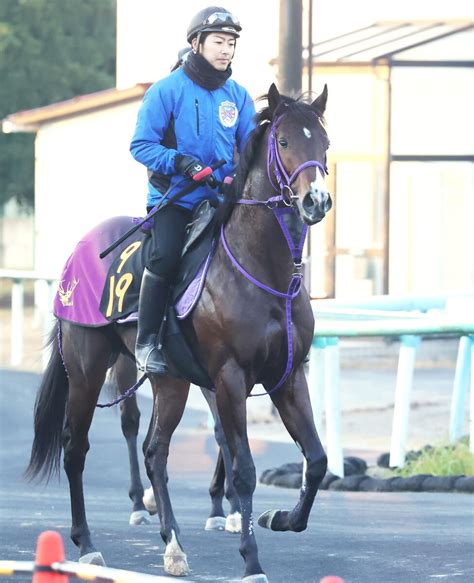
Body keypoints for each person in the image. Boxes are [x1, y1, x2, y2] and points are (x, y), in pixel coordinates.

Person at [130, 6, 256, 374]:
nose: (226, 50)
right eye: (219, 42)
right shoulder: (165, 91)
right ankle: (146, 342)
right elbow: (141, 145)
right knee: (165, 257)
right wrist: (182, 163)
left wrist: (237, 176)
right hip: (175, 199)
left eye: (232, 43)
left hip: (221, 200)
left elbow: (249, 150)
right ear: (196, 43)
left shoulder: (239, 95)